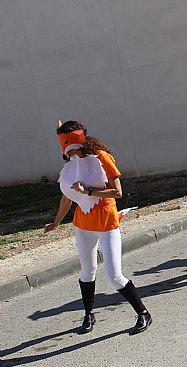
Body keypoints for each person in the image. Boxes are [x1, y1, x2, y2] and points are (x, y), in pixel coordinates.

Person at [45, 121, 152, 334]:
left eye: (70, 147)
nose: (68, 153)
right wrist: (56, 222)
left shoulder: (102, 158)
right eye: (65, 149)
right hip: (83, 224)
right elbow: (67, 198)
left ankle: (143, 313)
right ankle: (88, 314)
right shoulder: (70, 165)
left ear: (80, 140)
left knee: (114, 275)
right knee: (88, 271)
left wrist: (89, 192)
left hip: (106, 221)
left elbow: (117, 192)